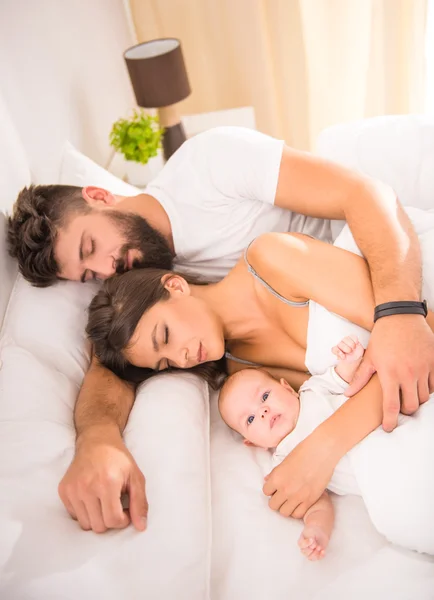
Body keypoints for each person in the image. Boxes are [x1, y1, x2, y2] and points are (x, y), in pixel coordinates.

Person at [7, 126, 434, 533]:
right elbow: (116, 356)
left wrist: (399, 313)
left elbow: (363, 193)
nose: (106, 269)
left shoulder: (206, 171)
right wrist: (97, 440)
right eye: (88, 277)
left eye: (91, 247)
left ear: (99, 195)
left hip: (389, 270)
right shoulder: (189, 326)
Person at [86, 214, 434, 530]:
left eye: (165, 336)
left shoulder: (271, 260)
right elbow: (343, 395)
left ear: (175, 286)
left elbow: (419, 332)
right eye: (166, 364)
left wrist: (322, 449)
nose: (183, 356)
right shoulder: (245, 377)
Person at [218, 335, 365, 561]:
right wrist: (316, 531)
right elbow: (317, 503)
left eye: (265, 396)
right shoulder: (285, 462)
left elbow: (345, 377)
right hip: (376, 483)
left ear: (287, 387)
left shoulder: (313, 390)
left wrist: (350, 358)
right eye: (249, 419)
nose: (263, 411)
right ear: (251, 442)